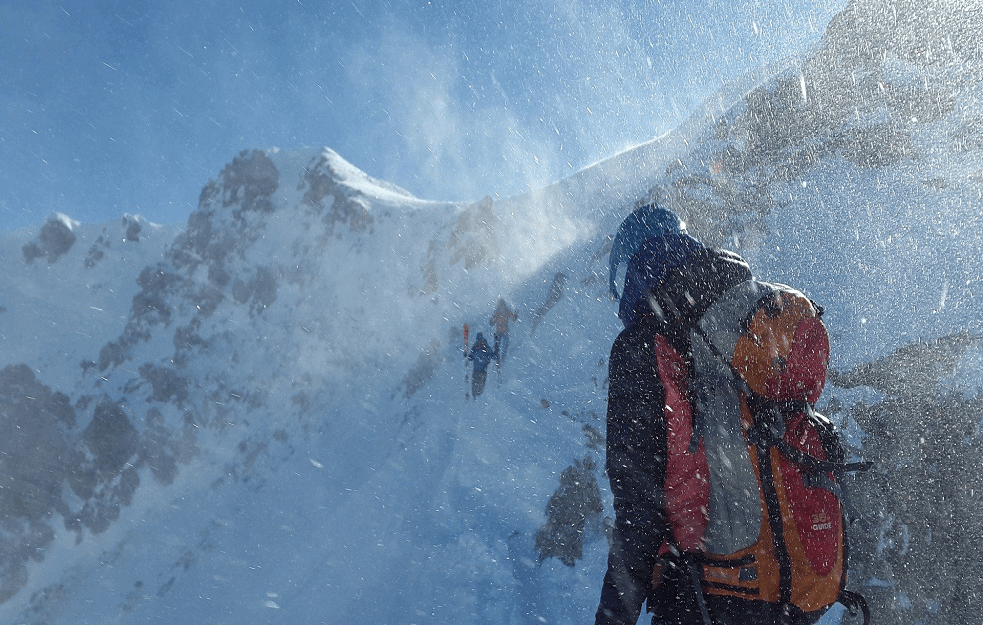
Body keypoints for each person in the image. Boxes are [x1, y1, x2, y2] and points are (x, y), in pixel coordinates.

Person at [597, 205, 777, 625]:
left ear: (634, 266)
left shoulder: (641, 345)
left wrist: (612, 616)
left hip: (702, 592)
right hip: (780, 581)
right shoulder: (743, 311)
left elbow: (640, 510)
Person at [489, 298, 518, 365]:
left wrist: (493, 320)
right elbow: (513, 318)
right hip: (504, 331)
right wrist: (515, 315)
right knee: (504, 347)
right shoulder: (505, 311)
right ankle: (502, 360)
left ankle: (498, 362)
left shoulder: (497, 311)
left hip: (499, 332)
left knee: (498, 348)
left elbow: (492, 322)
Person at [468, 332, 496, 398]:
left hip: (476, 371)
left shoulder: (475, 346)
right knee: (481, 388)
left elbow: (470, 358)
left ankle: (475, 399)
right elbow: (493, 356)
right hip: (483, 371)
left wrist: (469, 356)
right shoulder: (486, 346)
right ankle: (479, 399)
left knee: (474, 388)